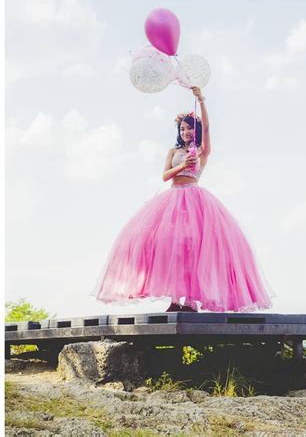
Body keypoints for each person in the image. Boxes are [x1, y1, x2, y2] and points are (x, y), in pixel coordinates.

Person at [91, 86, 274, 313]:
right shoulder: (173, 152)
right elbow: (165, 175)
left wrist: (202, 100)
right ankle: (176, 299)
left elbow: (207, 128)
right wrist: (181, 165)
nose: (186, 132)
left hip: (195, 201)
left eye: (189, 128)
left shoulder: (202, 152)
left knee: (194, 248)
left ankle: (189, 301)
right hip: (173, 201)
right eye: (182, 128)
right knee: (172, 248)